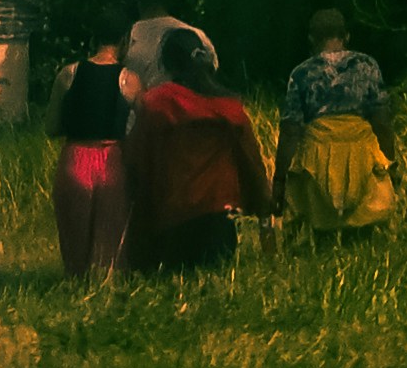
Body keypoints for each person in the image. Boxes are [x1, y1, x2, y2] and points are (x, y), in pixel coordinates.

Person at [119, 21, 276, 275]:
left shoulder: (158, 103)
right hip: (221, 217)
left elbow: (137, 161)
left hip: (173, 218)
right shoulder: (229, 105)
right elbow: (251, 162)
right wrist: (263, 209)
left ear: (167, 64)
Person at [278, 6, 402, 245]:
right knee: (362, 231)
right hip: (360, 154)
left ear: (311, 39)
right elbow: (382, 121)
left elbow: (291, 129)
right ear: (346, 36)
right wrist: (390, 162)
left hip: (319, 157)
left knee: (322, 230)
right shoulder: (367, 66)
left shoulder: (301, 73)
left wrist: (281, 178)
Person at [48, 30, 137, 279]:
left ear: (92, 40)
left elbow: (51, 127)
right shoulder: (129, 79)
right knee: (111, 239)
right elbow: (143, 124)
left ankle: (75, 284)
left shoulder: (68, 74)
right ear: (123, 42)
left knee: (74, 236)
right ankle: (106, 286)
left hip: (75, 158)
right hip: (113, 160)